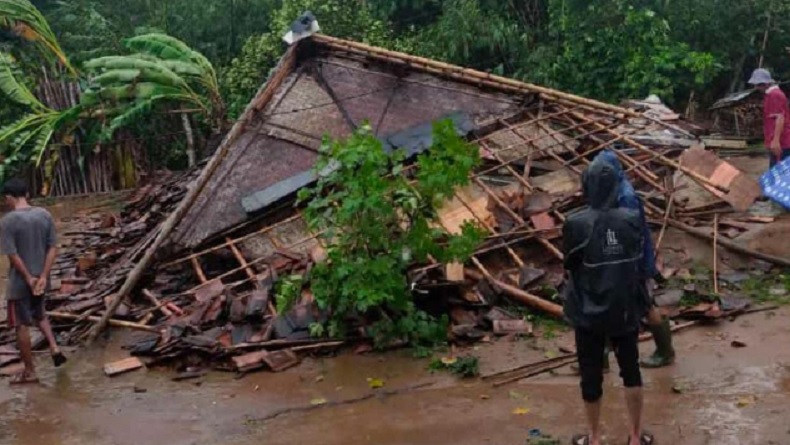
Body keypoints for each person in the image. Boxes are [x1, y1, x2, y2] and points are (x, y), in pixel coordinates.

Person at [563, 157, 652, 445]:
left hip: (588, 310)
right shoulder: (631, 218)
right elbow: (638, 260)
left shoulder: (574, 223)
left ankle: (594, 437)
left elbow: (570, 266)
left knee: (591, 376)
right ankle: (636, 437)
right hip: (624, 308)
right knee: (631, 371)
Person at [597, 150, 675, 369]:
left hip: (632, 261)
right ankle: (601, 356)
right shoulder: (612, 190)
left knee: (645, 305)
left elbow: (631, 234)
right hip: (620, 259)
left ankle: (665, 351)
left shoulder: (626, 196)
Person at [1, 178, 66, 384]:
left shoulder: (8, 221)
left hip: (21, 283)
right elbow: (52, 248)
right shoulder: (44, 215)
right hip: (42, 278)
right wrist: (43, 276)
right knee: (40, 313)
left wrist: (28, 278)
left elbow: (12, 255)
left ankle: (30, 372)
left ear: (9, 198)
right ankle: (54, 346)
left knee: (20, 324)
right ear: (27, 195)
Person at [748, 68, 790, 169]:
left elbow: (780, 118)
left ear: (766, 83)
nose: (756, 87)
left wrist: (776, 141)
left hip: (782, 142)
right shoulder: (770, 94)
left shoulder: (775, 95)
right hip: (779, 141)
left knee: (779, 173)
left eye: (758, 84)